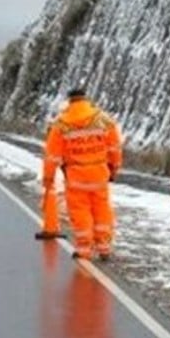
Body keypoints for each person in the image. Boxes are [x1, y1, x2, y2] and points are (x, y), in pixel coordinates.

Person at [42, 88, 122, 260]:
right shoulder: (103, 120)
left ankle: (84, 248)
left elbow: (52, 155)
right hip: (99, 174)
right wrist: (114, 168)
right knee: (102, 209)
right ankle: (104, 247)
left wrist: (48, 177)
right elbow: (114, 148)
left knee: (80, 211)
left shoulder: (61, 124)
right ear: (86, 99)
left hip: (75, 176)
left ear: (70, 101)